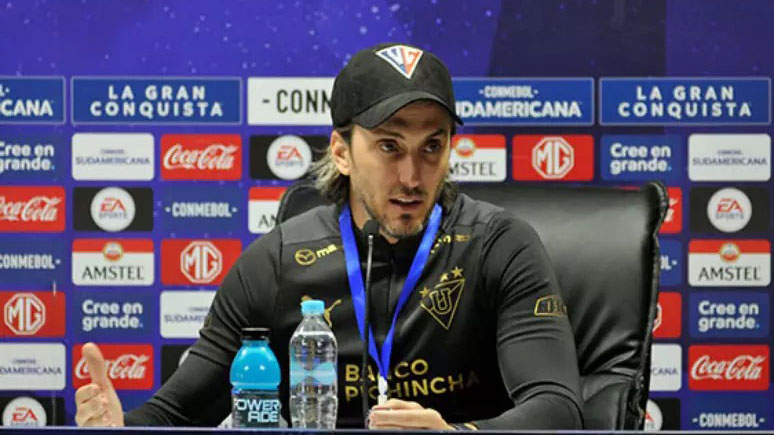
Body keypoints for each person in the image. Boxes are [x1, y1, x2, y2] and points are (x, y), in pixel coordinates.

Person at [75, 42, 583, 430]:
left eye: (432, 147)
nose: (412, 177)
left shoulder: (500, 247)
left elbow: (558, 407)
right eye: (389, 146)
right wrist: (119, 428)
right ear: (341, 151)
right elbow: (175, 414)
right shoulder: (278, 262)